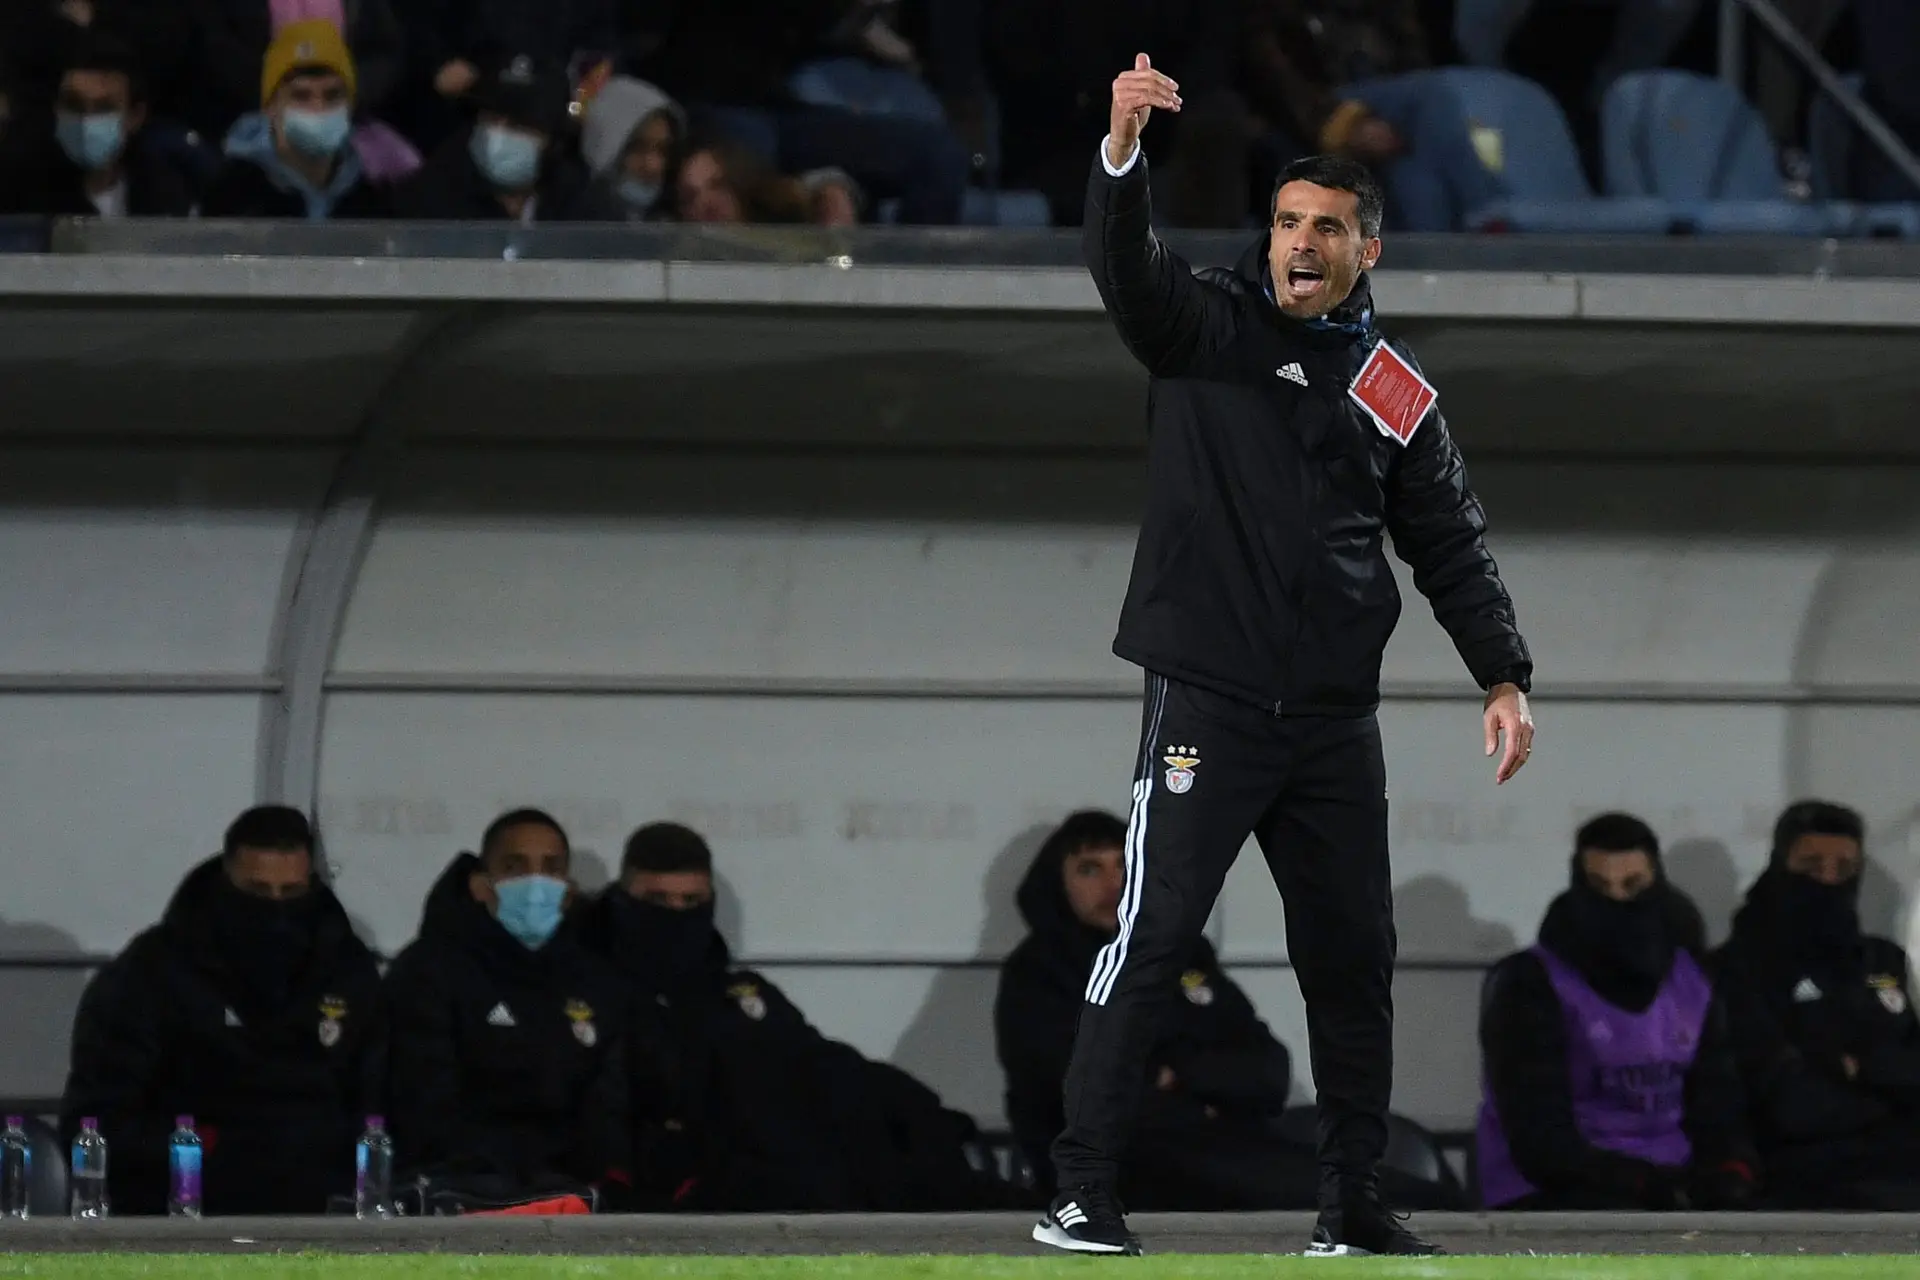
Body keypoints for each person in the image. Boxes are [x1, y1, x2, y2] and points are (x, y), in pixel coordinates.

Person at [1032, 57, 1535, 1259]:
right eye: (1287, 222)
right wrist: (1119, 149)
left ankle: (1351, 1199)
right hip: (1209, 698)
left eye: (1326, 229)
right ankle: (1082, 1192)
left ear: (1371, 251)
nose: (1299, 244)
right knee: (1150, 935)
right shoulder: (1203, 322)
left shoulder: (1393, 385)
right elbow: (1123, 271)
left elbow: (1449, 541)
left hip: (1331, 723)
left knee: (1355, 962)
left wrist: (1504, 673)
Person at [578, 821, 1000, 1211]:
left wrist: (919, 1114)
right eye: (657, 901)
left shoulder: (741, 994)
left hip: (807, 1175)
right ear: (621, 901)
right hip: (707, 1187)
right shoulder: (591, 997)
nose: (675, 915)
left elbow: (820, 1065)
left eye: (691, 902)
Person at [60, 806, 382, 1214]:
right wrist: (210, 1146)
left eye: (292, 893)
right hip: (183, 1214)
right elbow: (97, 1123)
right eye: (258, 891)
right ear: (226, 879)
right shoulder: (151, 972)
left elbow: (377, 1103)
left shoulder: (346, 969)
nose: (276, 910)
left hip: (322, 1214)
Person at [998, 811, 1324, 1208]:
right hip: (1111, 1174)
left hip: (1227, 1150)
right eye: (1089, 869)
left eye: (1124, 865)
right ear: (1057, 885)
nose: (1112, 884)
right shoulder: (1036, 974)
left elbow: (1269, 1072)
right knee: (1313, 1194)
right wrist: (1203, 1097)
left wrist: (1178, 1072)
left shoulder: (1182, 955)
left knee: (1360, 1185)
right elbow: (1086, 1093)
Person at [1477, 813, 1756, 1211]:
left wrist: (1731, 1172)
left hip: (1672, 1186)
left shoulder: (1690, 977)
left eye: (1633, 886)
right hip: (1546, 1196)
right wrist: (1643, 1184)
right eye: (1600, 887)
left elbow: (1718, 1103)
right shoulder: (1528, 983)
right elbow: (1539, 1138)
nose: (1618, 901)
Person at [381, 809, 630, 1197]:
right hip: (458, 1190)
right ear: (481, 886)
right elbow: (423, 1103)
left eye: (551, 868)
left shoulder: (597, 982)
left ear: (568, 890)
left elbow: (606, 1109)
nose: (536, 883)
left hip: (567, 1197)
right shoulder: (428, 971)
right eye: (516, 867)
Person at [1712, 801, 1920, 1208]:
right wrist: (1888, 1090)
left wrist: (1860, 1068)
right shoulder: (1736, 968)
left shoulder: (1884, 961)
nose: (1828, 879)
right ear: (1780, 865)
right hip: (1800, 1178)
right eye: (1811, 866)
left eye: (1843, 869)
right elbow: (1787, 1103)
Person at [201, 19, 393, 218]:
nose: (318, 108)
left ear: (350, 105)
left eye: (332, 95)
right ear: (270, 107)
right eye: (301, 95)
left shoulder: (371, 198)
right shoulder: (231, 198)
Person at [394, 53, 619, 222]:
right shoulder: (430, 195)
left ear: (554, 139)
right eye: (491, 118)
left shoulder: (584, 206)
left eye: (519, 125)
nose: (499, 133)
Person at [0, 33, 196, 216]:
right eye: (73, 104)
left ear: (135, 115)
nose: (86, 119)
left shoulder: (163, 190)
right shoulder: (17, 191)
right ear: (56, 108)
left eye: (104, 108)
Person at [579, 74, 684, 220]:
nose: (654, 166)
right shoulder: (566, 227)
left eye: (663, 150)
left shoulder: (677, 225)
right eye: (638, 147)